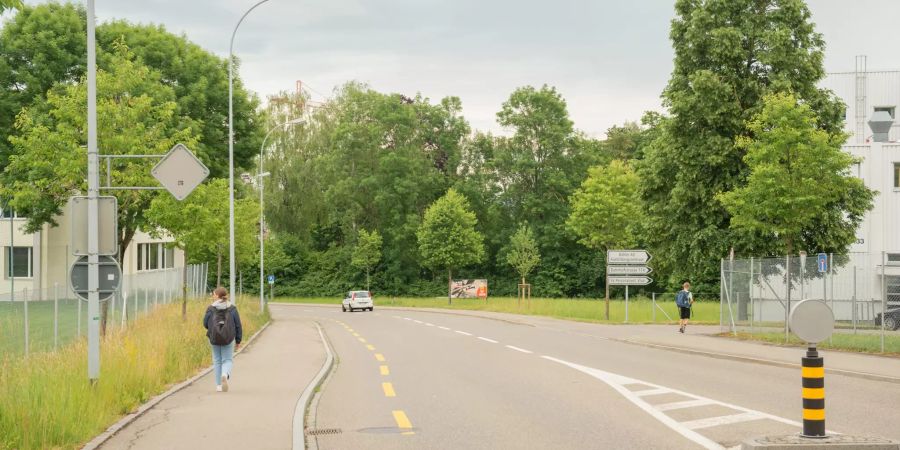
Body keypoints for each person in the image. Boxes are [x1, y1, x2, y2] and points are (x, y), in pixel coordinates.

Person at [203, 287, 243, 392]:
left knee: (217, 360)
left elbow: (205, 323)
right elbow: (238, 325)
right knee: (228, 359)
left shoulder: (211, 308)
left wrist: (213, 329)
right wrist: (238, 340)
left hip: (214, 337)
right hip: (228, 338)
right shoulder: (232, 308)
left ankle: (219, 386)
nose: (212, 295)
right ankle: (225, 374)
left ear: (217, 296)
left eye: (214, 294)